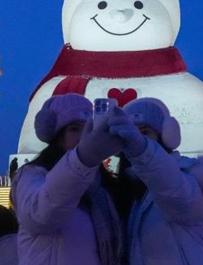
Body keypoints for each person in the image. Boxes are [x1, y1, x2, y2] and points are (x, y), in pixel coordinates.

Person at [113, 97, 203, 265]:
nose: (136, 139)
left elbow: (174, 193)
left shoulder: (188, 177)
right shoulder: (128, 191)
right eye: (131, 134)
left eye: (145, 132)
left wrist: (143, 152)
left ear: (166, 136)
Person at [12, 93, 123, 264]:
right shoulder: (32, 176)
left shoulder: (101, 187)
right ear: (57, 136)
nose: (82, 136)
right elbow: (41, 215)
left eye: (88, 128)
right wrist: (82, 159)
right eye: (74, 129)